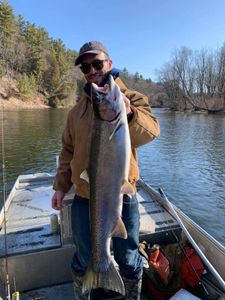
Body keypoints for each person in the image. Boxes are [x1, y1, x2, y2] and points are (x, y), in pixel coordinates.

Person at [51, 41, 160, 300]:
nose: (91, 70)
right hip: (84, 196)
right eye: (85, 67)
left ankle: (130, 294)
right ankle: (86, 290)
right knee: (84, 255)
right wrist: (59, 186)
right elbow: (67, 153)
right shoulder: (75, 112)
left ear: (109, 64)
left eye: (97, 63)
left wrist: (130, 114)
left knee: (128, 256)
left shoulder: (132, 99)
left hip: (123, 194)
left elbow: (152, 132)